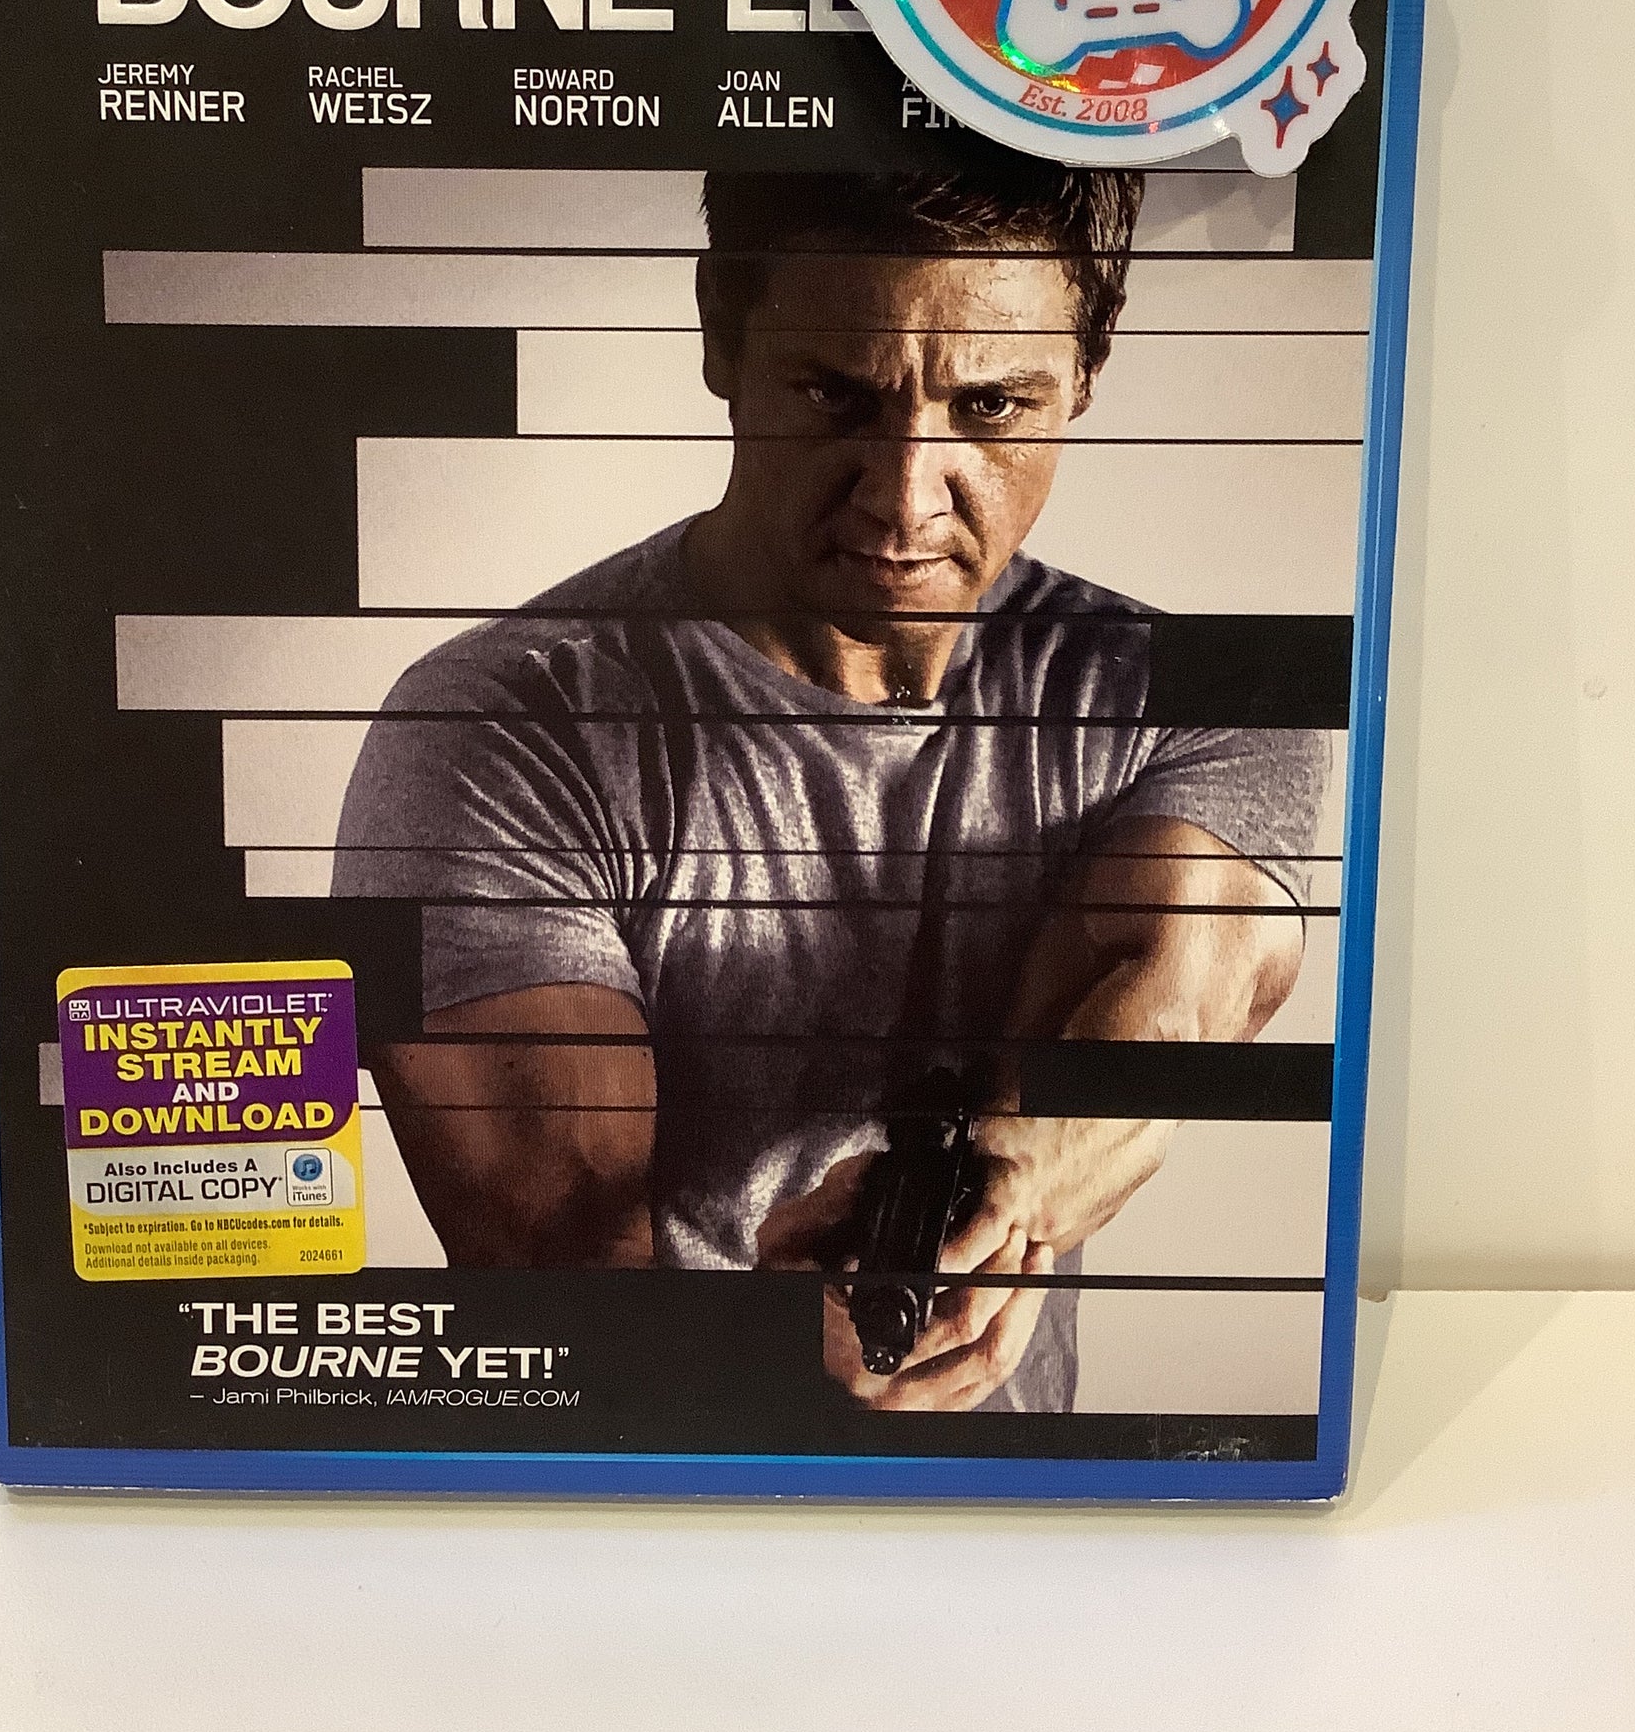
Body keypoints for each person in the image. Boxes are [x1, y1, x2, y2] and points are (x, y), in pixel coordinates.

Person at [333, 155, 1325, 1412]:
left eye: (991, 407)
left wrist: (1004, 1187)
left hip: (1019, 1502)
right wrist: (762, 1345)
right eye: (832, 395)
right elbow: (558, 1267)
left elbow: (1172, 1003)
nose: (905, 499)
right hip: (648, 1490)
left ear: (1086, 366)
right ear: (720, 331)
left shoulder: (1196, 700)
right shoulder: (496, 728)